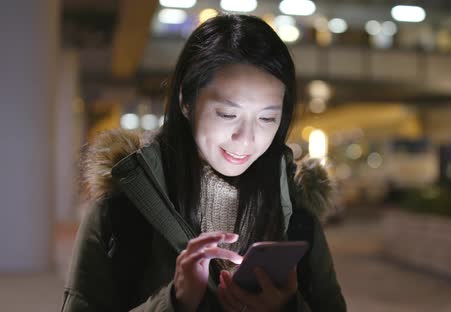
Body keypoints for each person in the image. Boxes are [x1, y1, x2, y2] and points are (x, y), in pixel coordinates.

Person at [61, 14, 346, 312]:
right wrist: (175, 302)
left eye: (267, 118)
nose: (246, 138)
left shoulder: (297, 213)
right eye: (227, 114)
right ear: (186, 100)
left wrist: (288, 307)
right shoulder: (123, 202)